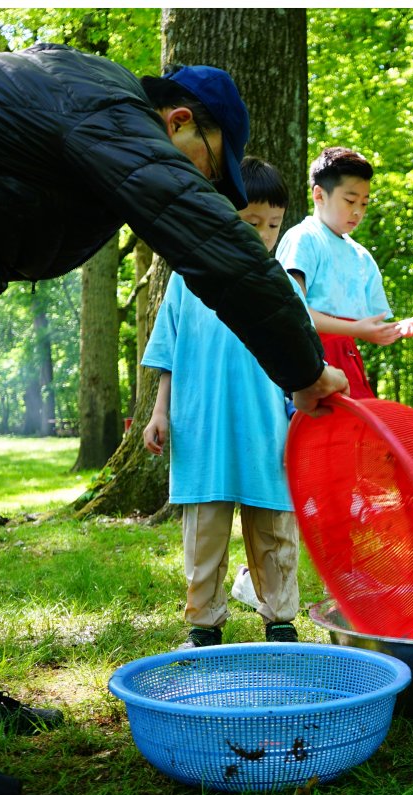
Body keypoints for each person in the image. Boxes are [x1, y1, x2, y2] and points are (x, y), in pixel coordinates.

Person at [0, 45, 348, 795]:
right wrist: (305, 370)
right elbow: (215, 248)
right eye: (209, 170)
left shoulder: (82, 114)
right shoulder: (110, 112)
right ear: (180, 122)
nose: (206, 189)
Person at [142, 157, 308, 649]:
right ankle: (204, 625)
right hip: (201, 429)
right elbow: (168, 353)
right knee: (204, 535)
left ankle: (280, 620)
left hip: (267, 432)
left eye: (273, 225)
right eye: (251, 223)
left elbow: (303, 362)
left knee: (275, 531)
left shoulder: (283, 285)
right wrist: (159, 411)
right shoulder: (188, 278)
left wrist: (301, 427)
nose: (263, 235)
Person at [275, 146, 413, 399]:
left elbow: (369, 325)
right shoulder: (304, 238)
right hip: (309, 360)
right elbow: (293, 311)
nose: (358, 211)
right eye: (349, 200)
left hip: (349, 362)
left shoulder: (361, 256)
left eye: (364, 203)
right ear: (319, 195)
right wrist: (357, 329)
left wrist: (400, 328)